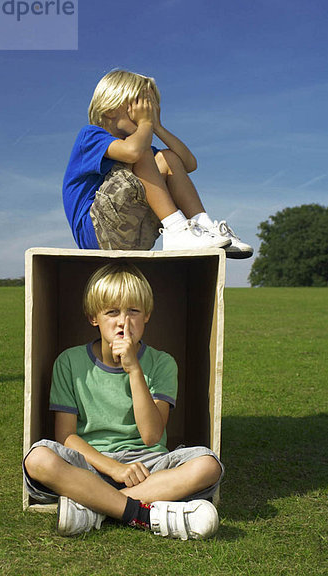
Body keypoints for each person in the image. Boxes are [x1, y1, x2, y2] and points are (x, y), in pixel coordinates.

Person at [23, 263, 224, 540]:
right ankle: (142, 514)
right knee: (38, 459)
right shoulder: (69, 362)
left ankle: (94, 507)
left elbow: (152, 435)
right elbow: (66, 436)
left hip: (148, 468)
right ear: (94, 317)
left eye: (133, 311)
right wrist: (114, 468)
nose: (123, 322)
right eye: (112, 312)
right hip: (89, 466)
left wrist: (134, 369)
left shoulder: (162, 363)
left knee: (208, 465)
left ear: (148, 315)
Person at [62, 69, 253, 258]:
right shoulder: (90, 137)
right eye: (140, 106)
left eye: (150, 108)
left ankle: (203, 226)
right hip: (98, 234)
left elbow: (189, 163)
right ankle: (176, 229)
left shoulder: (144, 157)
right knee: (143, 152)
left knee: (167, 157)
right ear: (111, 109)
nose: (146, 113)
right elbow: (132, 152)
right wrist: (145, 125)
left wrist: (157, 127)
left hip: (136, 237)